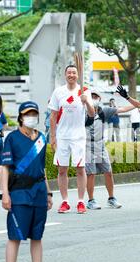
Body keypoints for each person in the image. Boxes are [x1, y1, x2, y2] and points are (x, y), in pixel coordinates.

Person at [1, 101, 53, 262]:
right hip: (19, 194)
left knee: (37, 237)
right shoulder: (12, 139)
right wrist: (5, 193)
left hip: (39, 192)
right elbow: (4, 167)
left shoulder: (41, 138)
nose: (31, 117)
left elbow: (43, 168)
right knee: (15, 237)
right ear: (21, 117)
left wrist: (48, 192)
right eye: (28, 114)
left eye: (34, 113)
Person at [49, 65, 95, 214]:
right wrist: (53, 136)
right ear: (65, 74)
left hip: (78, 137)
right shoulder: (58, 92)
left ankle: (81, 202)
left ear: (77, 75)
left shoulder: (84, 91)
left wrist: (86, 101)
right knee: (62, 169)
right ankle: (65, 201)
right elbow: (53, 115)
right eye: (69, 72)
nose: (71, 75)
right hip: (62, 136)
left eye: (74, 72)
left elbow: (92, 114)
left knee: (80, 169)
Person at [85, 89, 137, 210]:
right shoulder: (83, 112)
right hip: (88, 146)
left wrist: (136, 103)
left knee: (108, 172)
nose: (93, 98)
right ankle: (91, 200)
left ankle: (111, 198)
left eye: (96, 96)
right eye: (91, 96)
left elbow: (123, 109)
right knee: (91, 174)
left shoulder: (104, 111)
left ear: (100, 99)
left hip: (101, 145)